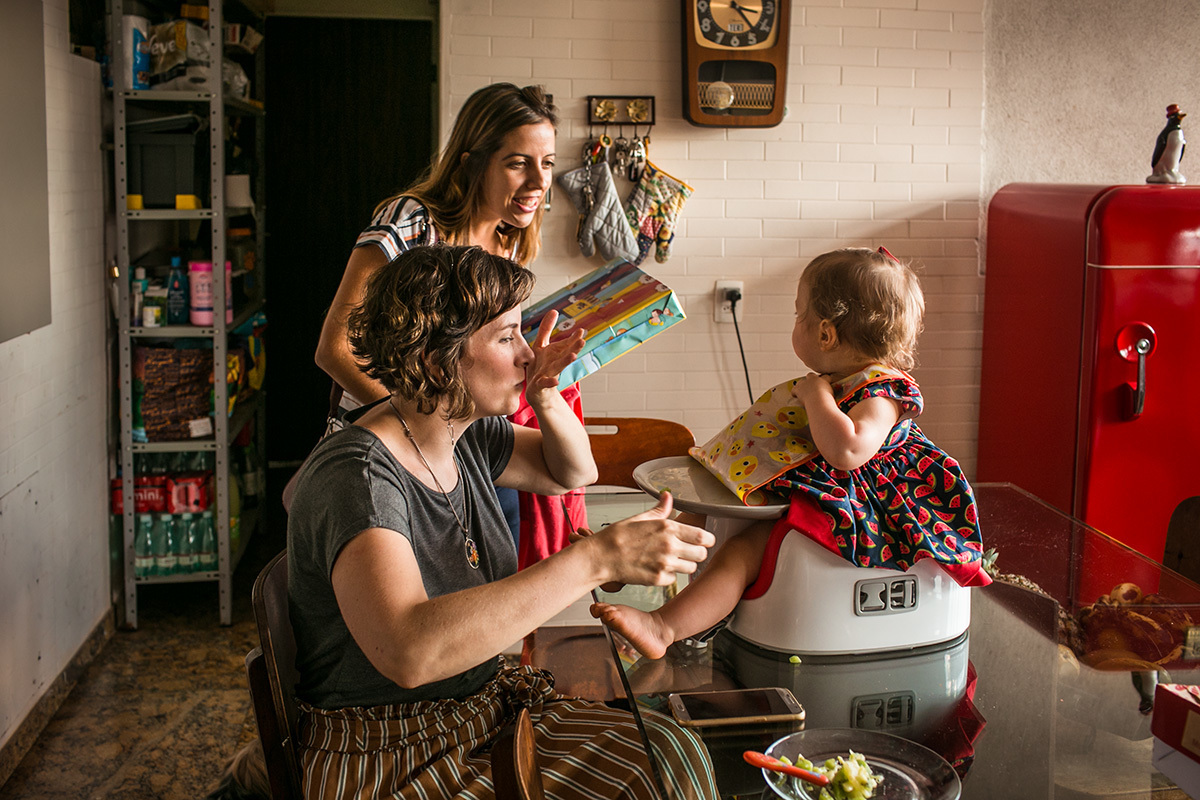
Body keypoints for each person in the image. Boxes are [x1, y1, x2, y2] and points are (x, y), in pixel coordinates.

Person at [288, 245, 719, 800]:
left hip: (475, 713)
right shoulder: (359, 476)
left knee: (670, 754)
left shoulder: (457, 430)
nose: (527, 354)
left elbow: (572, 472)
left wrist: (544, 395)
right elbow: (410, 652)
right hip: (386, 750)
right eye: (507, 336)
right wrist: (597, 558)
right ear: (436, 359)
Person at [591, 246, 990, 660]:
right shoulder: (842, 376)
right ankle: (629, 563)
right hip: (805, 476)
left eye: (799, 314)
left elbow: (849, 449)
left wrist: (817, 396)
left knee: (742, 552)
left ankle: (663, 626)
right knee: (701, 507)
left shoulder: (883, 391)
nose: (795, 322)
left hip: (854, 501)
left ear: (825, 334)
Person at [313, 81, 581, 567]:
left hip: (472, 450)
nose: (539, 182)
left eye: (547, 163)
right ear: (471, 160)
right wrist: (428, 432)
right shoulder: (413, 221)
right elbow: (336, 348)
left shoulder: (511, 242)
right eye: (518, 162)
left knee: (484, 588)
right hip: (391, 453)